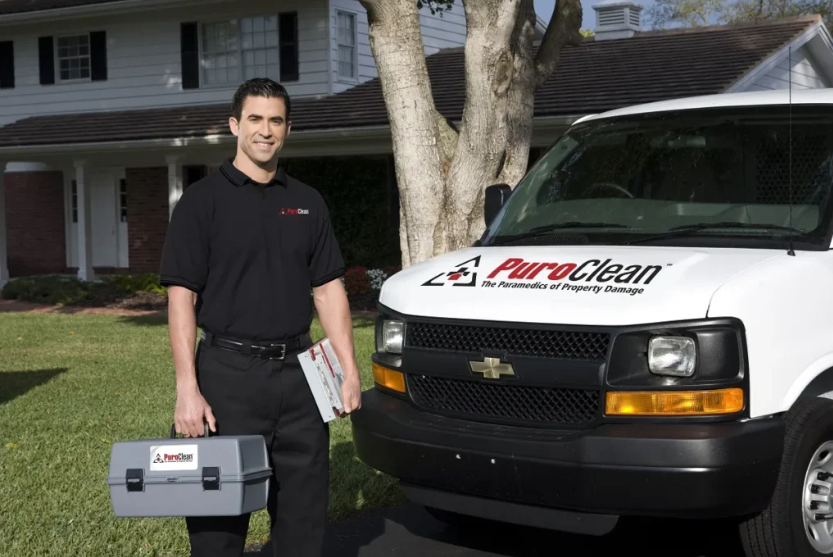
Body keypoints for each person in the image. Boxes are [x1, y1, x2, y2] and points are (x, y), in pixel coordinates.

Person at [158, 77, 362, 557]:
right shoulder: (201, 202)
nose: (265, 130)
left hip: (301, 377)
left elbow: (329, 289)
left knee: (303, 521)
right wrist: (187, 389)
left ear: (287, 129)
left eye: (275, 121)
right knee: (217, 529)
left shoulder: (308, 202)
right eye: (255, 119)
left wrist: (348, 370)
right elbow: (181, 296)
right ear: (235, 125)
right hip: (228, 377)